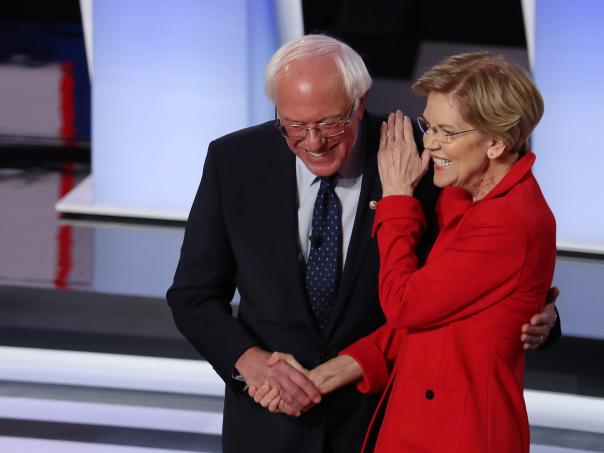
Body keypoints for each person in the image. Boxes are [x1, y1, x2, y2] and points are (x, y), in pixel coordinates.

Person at [167, 36, 559, 453]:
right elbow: (193, 295)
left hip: (376, 422)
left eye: (329, 123)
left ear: (360, 102)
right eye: (294, 125)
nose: (313, 141)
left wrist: (536, 314)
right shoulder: (235, 160)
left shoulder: (424, 162)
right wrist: (248, 362)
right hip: (268, 425)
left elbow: (466, 277)